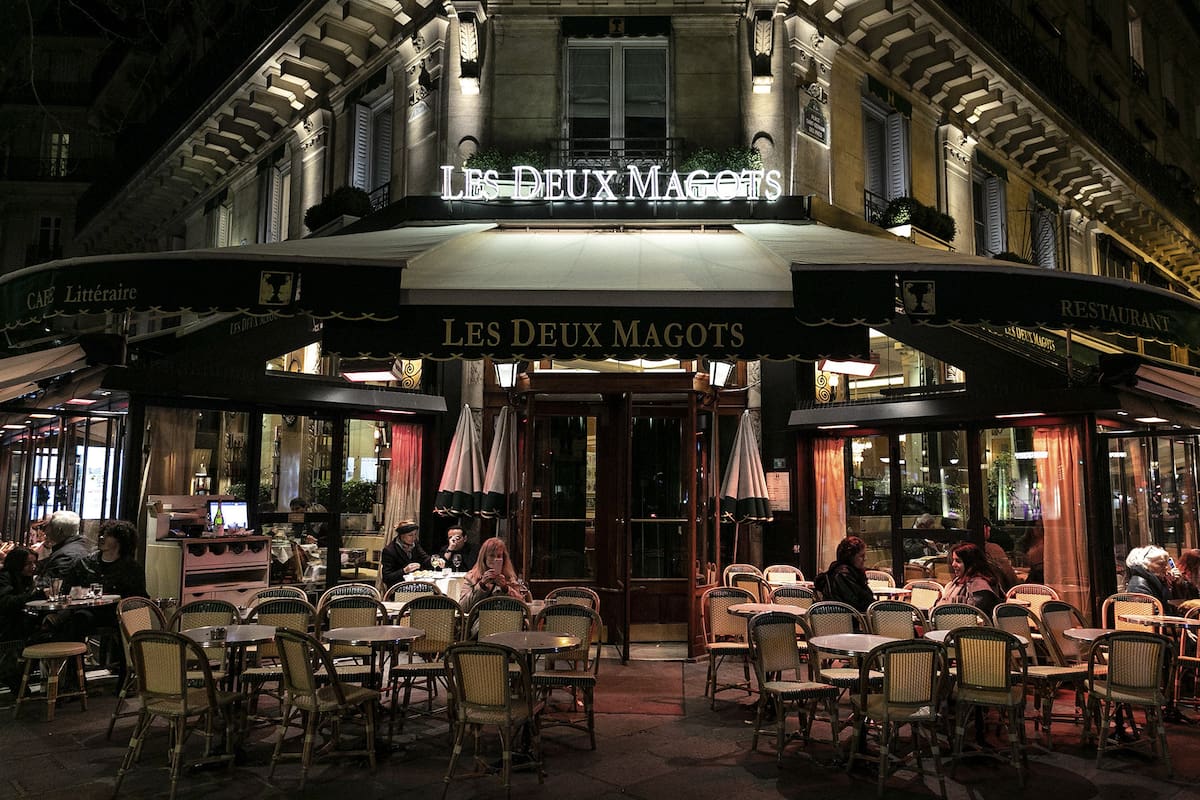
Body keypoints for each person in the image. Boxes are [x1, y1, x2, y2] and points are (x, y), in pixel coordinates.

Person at [63, 519, 148, 600]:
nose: (102, 537)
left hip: (114, 612)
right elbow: (67, 591)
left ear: (120, 540)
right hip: (84, 610)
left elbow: (138, 600)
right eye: (102, 534)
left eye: (108, 535)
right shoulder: (84, 563)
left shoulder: (131, 569)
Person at [0, 548, 42, 693]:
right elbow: (5, 602)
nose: (32, 567)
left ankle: (18, 676)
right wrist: (35, 596)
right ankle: (13, 675)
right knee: (39, 637)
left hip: (19, 623)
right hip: (6, 626)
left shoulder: (27, 579)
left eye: (34, 563)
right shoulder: (5, 577)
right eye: (28, 564)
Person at [939, 542, 1003, 616]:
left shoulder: (980, 586)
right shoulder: (954, 583)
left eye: (958, 561)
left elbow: (974, 616)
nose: (953, 564)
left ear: (970, 564)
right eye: (953, 560)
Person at [459, 537, 524, 609]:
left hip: (506, 618)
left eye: (499, 556)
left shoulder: (509, 577)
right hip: (481, 618)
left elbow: (522, 605)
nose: (495, 559)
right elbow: (463, 606)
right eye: (492, 556)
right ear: (484, 557)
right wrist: (481, 585)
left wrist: (505, 588)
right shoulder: (471, 577)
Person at [815, 535, 873, 613]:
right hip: (850, 621)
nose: (865, 559)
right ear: (850, 557)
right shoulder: (843, 575)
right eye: (861, 556)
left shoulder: (843, 572)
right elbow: (857, 603)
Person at [37, 510, 89, 582]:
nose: (45, 532)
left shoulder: (65, 556)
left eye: (49, 527)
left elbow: (51, 588)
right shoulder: (74, 548)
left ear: (59, 531)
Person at [380, 521, 432, 588]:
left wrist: (434, 561)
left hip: (415, 584)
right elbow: (387, 578)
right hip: (399, 586)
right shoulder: (390, 550)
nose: (414, 538)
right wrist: (404, 570)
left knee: (434, 591)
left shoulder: (414, 544)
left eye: (415, 534)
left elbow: (425, 558)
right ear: (402, 536)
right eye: (410, 535)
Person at [1124, 545, 1174, 612]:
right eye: (1161, 564)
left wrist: (1175, 583)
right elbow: (1149, 615)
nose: (1166, 568)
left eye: (1166, 564)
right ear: (1146, 564)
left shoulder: (1156, 580)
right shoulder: (1139, 585)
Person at [981, 518, 1019, 593]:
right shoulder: (993, 549)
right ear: (986, 528)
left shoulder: (957, 550)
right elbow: (1010, 577)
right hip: (997, 595)